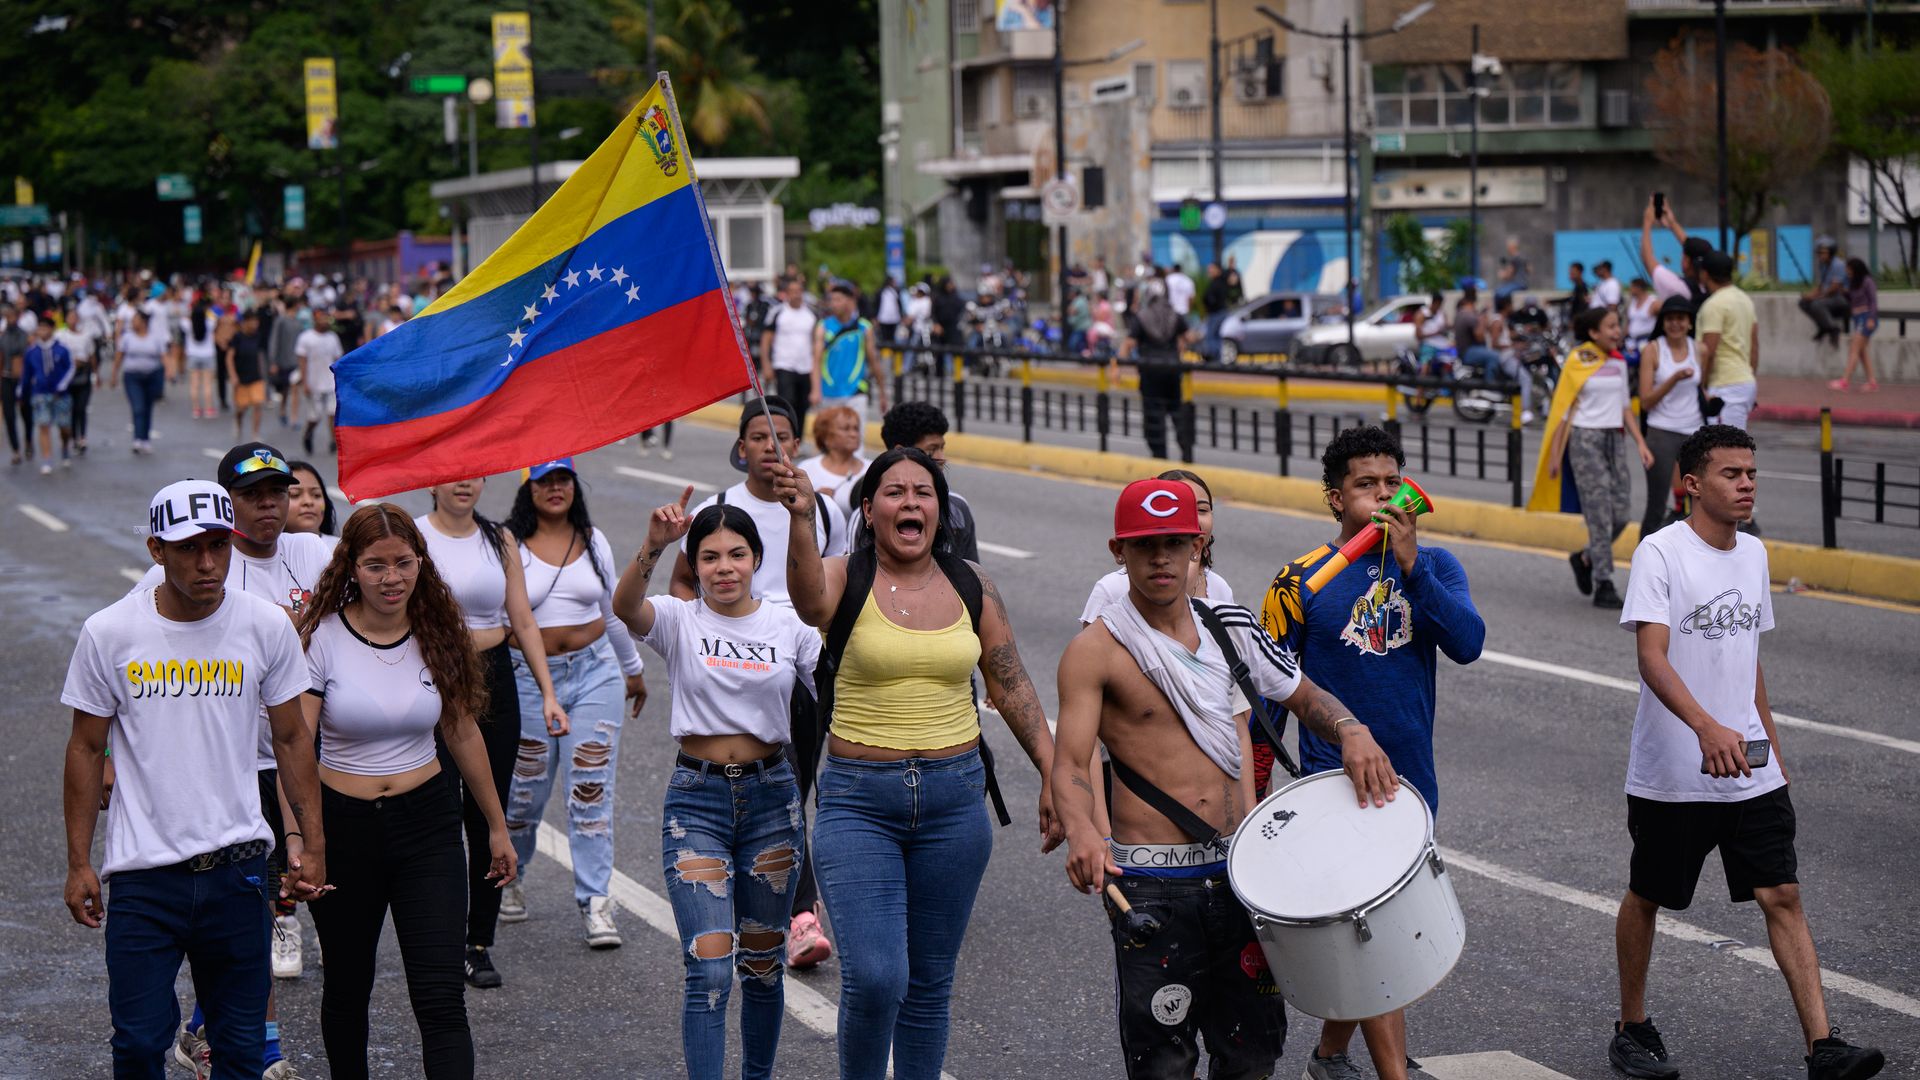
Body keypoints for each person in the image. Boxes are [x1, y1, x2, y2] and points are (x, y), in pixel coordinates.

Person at [1610, 425, 1886, 1080]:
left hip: (1751, 769)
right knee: (1649, 894)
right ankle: (1632, 1027)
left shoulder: (1754, 555)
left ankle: (1823, 1047)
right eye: (1731, 474)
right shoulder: (1661, 553)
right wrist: (1705, 727)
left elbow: (1748, 661)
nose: (1745, 484)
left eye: (1751, 474)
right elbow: (1651, 657)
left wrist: (1773, 748)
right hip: (1674, 772)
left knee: (1782, 891)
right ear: (1691, 484)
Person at [781, 446, 1064, 1079]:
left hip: (954, 801)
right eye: (894, 492)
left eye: (923, 492)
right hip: (859, 802)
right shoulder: (841, 575)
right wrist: (801, 517)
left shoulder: (973, 583)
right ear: (868, 508)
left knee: (930, 985)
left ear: (939, 510)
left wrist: (1053, 773)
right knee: (879, 978)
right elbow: (806, 603)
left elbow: (1011, 682)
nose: (911, 502)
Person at [63, 479, 328, 1079]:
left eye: (218, 545)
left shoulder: (264, 626)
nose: (207, 563)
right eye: (188, 549)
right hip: (143, 878)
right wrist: (79, 861)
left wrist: (310, 844)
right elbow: (84, 747)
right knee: (136, 1042)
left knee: (238, 1047)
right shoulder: (111, 632)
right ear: (157, 550)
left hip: (236, 872)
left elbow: (290, 739)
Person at [1259, 429, 1485, 1080]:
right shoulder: (1299, 580)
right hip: (1337, 784)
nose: (1385, 494)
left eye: (1393, 481)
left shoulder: (1436, 565)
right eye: (1366, 485)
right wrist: (1256, 798)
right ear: (1336, 500)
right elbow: (1271, 700)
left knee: (1383, 931)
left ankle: (1331, 1055)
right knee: (1381, 934)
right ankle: (1393, 1071)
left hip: (1413, 785)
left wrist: (1412, 567)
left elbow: (1467, 642)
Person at [294, 505, 516, 1080]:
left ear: (421, 563)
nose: (391, 578)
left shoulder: (440, 634)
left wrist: (495, 824)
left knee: (441, 999)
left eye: (403, 563)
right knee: (347, 988)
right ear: (351, 567)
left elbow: (463, 731)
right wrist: (299, 838)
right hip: (343, 829)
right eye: (375, 566)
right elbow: (296, 746)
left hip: (428, 827)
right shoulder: (321, 639)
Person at [613, 497, 820, 1080]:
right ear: (694, 564)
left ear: (756, 559)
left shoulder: (787, 625)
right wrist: (654, 544)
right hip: (696, 802)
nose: (723, 567)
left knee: (762, 962)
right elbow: (625, 606)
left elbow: (835, 683)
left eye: (736, 554)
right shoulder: (681, 620)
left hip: (772, 801)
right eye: (709, 557)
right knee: (707, 967)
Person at [670, 397, 848, 969]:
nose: (772, 446)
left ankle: (784, 906)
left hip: (801, 662)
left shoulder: (821, 510)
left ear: (797, 445)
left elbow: (838, 588)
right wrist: (703, 641)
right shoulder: (721, 509)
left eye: (783, 437)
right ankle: (798, 916)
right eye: (758, 437)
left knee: (793, 789)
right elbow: (680, 582)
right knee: (774, 782)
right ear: (741, 446)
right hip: (735, 664)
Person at [417, 476, 568, 987]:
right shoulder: (414, 536)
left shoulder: (498, 538)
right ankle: (436, 935)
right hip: (432, 676)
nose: (463, 483)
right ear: (433, 481)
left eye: (475, 473)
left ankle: (478, 942)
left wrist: (547, 692)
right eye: (452, 474)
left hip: (495, 674)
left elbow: (521, 618)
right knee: (436, 812)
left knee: (488, 811)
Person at [499, 459, 648, 947]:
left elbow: (610, 611)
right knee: (524, 792)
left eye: (563, 479)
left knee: (590, 789)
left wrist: (632, 669)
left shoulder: (593, 539)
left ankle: (596, 902)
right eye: (544, 480)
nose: (555, 488)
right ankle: (511, 877)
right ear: (529, 488)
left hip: (594, 673)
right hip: (525, 679)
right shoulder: (508, 544)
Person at [1530, 307, 1655, 609]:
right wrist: (1555, 454)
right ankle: (1604, 581)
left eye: (1618, 325)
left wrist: (1641, 442)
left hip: (1615, 438)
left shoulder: (1619, 361)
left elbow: (1625, 406)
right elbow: (1563, 407)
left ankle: (1585, 556)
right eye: (1610, 327)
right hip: (1585, 439)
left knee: (1622, 513)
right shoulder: (1578, 360)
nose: (1617, 331)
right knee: (1599, 514)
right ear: (1594, 332)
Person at [1081, 468, 1232, 625]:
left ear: (1196, 546)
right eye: (1145, 544)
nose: (1161, 558)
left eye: (1202, 510)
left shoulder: (1220, 588)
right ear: (1118, 550)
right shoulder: (1111, 589)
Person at [872, 400, 982, 563]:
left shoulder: (958, 508)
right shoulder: (873, 511)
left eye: (942, 448)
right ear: (900, 451)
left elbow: (972, 576)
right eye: (931, 451)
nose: (941, 458)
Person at [1637, 297, 1704, 543]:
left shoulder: (1700, 349)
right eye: (1670, 319)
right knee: (1656, 505)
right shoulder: (1653, 350)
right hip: (1661, 431)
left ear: (1689, 323)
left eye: (1681, 319)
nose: (1675, 324)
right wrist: (1672, 379)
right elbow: (1645, 401)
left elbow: (1703, 388)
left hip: (1695, 432)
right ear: (1663, 323)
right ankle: (1643, 565)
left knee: (1698, 505)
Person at [1117, 283, 1194, 462]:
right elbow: (1189, 336)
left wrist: (1118, 367)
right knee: (1177, 412)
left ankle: (1160, 456)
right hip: (1173, 370)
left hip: (1150, 371)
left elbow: (1128, 344)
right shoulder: (1175, 314)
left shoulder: (1141, 316)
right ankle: (1186, 451)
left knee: (1153, 415)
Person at [1695, 251, 1759, 431]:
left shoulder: (1714, 305)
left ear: (1705, 274)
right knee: (1731, 449)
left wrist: (1701, 388)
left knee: (1725, 452)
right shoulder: (1744, 299)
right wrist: (1751, 377)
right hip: (1745, 382)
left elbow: (1709, 351)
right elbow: (1754, 345)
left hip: (1725, 386)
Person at [813, 281, 887, 418]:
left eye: (838, 300)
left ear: (849, 301)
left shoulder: (864, 328)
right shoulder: (823, 326)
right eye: (832, 300)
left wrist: (882, 392)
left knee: (855, 437)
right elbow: (816, 360)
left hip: (855, 392)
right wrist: (815, 390)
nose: (834, 304)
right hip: (829, 392)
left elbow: (874, 361)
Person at [760, 276, 819, 435]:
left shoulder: (811, 314)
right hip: (784, 365)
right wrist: (766, 365)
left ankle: (797, 440)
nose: (796, 294)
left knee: (802, 406)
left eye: (799, 291)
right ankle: (785, 437)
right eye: (792, 291)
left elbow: (816, 343)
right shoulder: (778, 312)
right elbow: (766, 340)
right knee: (787, 403)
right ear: (786, 293)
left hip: (805, 367)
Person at [21, 318, 75, 474]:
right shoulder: (32, 352)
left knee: (64, 426)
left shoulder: (62, 349)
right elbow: (27, 375)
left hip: (61, 394)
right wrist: (22, 392)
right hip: (40, 393)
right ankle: (47, 458)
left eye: (45, 327)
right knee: (43, 425)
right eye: (40, 328)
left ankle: (65, 446)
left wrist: (62, 385)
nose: (42, 331)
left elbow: (70, 368)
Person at [798, 404, 870, 517]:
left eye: (856, 428)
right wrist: (816, 500)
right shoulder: (806, 469)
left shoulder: (871, 468)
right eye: (846, 429)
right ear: (826, 437)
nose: (854, 434)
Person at [113, 309, 169, 454]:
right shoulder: (127, 337)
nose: (132, 323)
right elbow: (119, 355)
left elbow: (163, 356)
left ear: (144, 322)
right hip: (132, 376)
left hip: (151, 376)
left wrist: (169, 371)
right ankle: (137, 439)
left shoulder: (155, 337)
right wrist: (114, 374)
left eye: (135, 320)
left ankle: (145, 439)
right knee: (138, 407)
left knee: (147, 407)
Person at [1640, 198, 1713, 308]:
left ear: (1686, 261)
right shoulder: (1713, 285)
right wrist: (1672, 224)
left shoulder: (1677, 287)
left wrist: (1647, 222)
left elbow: (1647, 259)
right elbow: (1693, 248)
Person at [296, 308, 343, 455]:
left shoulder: (333, 337)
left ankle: (332, 441)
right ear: (315, 319)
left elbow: (337, 359)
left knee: (333, 413)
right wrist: (305, 383)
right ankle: (308, 434)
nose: (325, 321)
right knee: (315, 417)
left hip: (330, 383)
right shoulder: (306, 338)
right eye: (322, 318)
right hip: (314, 383)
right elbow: (302, 361)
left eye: (326, 318)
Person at [1832, 258, 1879, 393]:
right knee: (1862, 352)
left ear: (1856, 269)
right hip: (1858, 318)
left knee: (1854, 349)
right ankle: (1872, 382)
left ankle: (1845, 381)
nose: (1847, 272)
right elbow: (1853, 299)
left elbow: (1873, 301)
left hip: (1866, 318)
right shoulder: (1854, 283)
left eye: (1849, 269)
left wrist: (1871, 318)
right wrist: (1843, 291)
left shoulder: (1867, 281)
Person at [1798, 236, 1850, 348]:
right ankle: (1823, 326)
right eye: (1818, 253)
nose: (1820, 256)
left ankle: (1833, 329)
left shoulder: (1838, 265)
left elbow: (1834, 288)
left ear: (1831, 252)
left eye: (1823, 253)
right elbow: (1821, 285)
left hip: (1841, 298)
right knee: (1803, 303)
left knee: (1817, 304)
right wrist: (1809, 295)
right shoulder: (1824, 265)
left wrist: (1816, 297)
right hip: (1829, 298)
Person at [226, 310, 269, 441]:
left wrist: (264, 374)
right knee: (242, 407)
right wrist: (233, 375)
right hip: (241, 377)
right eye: (252, 321)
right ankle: (238, 422)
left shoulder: (258, 336)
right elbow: (229, 357)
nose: (255, 324)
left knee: (258, 404)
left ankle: (255, 433)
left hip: (256, 376)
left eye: (256, 321)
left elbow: (261, 356)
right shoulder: (237, 337)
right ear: (245, 322)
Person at [267, 294, 306, 428]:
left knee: (295, 390)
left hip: (295, 361)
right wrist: (273, 361)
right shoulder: (281, 321)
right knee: (285, 389)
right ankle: (283, 411)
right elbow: (274, 340)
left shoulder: (298, 322)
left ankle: (294, 418)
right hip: (283, 360)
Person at [185, 297, 220, 420]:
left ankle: (196, 409)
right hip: (208, 355)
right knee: (207, 384)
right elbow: (215, 317)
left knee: (194, 385)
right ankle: (209, 409)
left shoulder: (188, 324)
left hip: (193, 355)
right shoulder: (210, 322)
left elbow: (182, 320)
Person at [286, 461, 339, 539]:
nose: (308, 502)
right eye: (295, 495)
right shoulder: (264, 550)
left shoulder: (343, 549)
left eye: (316, 495)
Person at [1455, 286, 1499, 379]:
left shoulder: (1462, 313)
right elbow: (1480, 336)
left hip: (1464, 351)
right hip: (1468, 352)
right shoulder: (1468, 315)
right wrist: (1482, 319)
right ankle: (1490, 386)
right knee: (1495, 356)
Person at [1624, 278, 1658, 352]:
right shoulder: (1632, 301)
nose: (1630, 289)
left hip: (1646, 340)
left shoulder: (1653, 302)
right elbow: (1629, 322)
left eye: (1631, 287)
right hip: (1631, 341)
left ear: (1638, 288)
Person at [875, 274, 903, 356]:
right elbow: (876, 304)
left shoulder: (895, 291)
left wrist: (901, 315)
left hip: (894, 318)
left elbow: (899, 304)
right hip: (883, 318)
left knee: (892, 338)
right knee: (884, 338)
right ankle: (885, 356)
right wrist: (875, 316)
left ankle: (892, 356)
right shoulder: (881, 291)